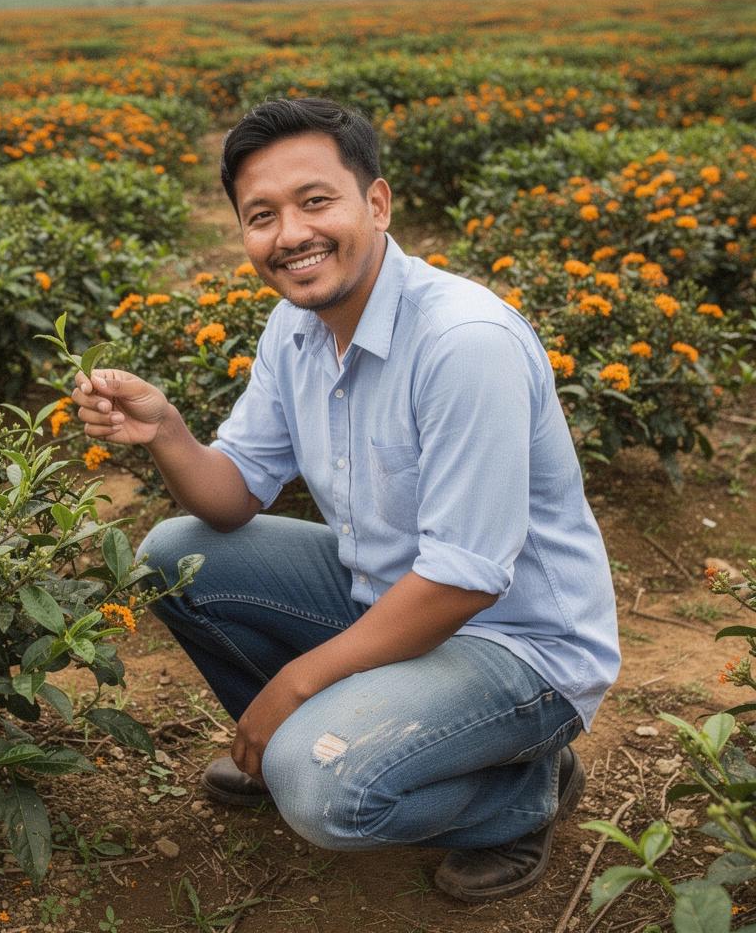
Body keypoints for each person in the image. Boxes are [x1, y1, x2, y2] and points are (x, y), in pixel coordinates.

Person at [71, 97, 620, 902]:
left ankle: (518, 794)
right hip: (388, 601)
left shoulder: (464, 343)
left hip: (522, 647)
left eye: (315, 201)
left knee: (323, 793)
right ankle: (358, 739)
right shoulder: (293, 330)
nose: (290, 233)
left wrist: (288, 693)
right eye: (262, 215)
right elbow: (230, 503)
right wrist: (166, 431)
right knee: (174, 553)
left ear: (378, 203)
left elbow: (466, 579)